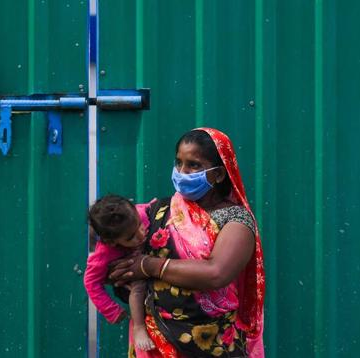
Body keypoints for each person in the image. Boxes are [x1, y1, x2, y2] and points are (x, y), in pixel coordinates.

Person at [109, 128, 265, 358]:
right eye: (179, 163)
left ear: (219, 174)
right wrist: (118, 272)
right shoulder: (159, 210)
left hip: (212, 344)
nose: (182, 172)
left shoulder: (236, 220)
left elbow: (216, 273)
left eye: (194, 165)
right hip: (155, 343)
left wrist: (148, 266)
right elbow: (120, 251)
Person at [84, 195, 156, 352]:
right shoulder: (104, 252)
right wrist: (111, 310)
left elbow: (148, 207)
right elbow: (91, 282)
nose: (140, 235)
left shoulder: (140, 214)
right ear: (112, 242)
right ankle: (139, 327)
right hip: (138, 280)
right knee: (138, 287)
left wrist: (154, 205)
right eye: (131, 237)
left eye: (139, 225)